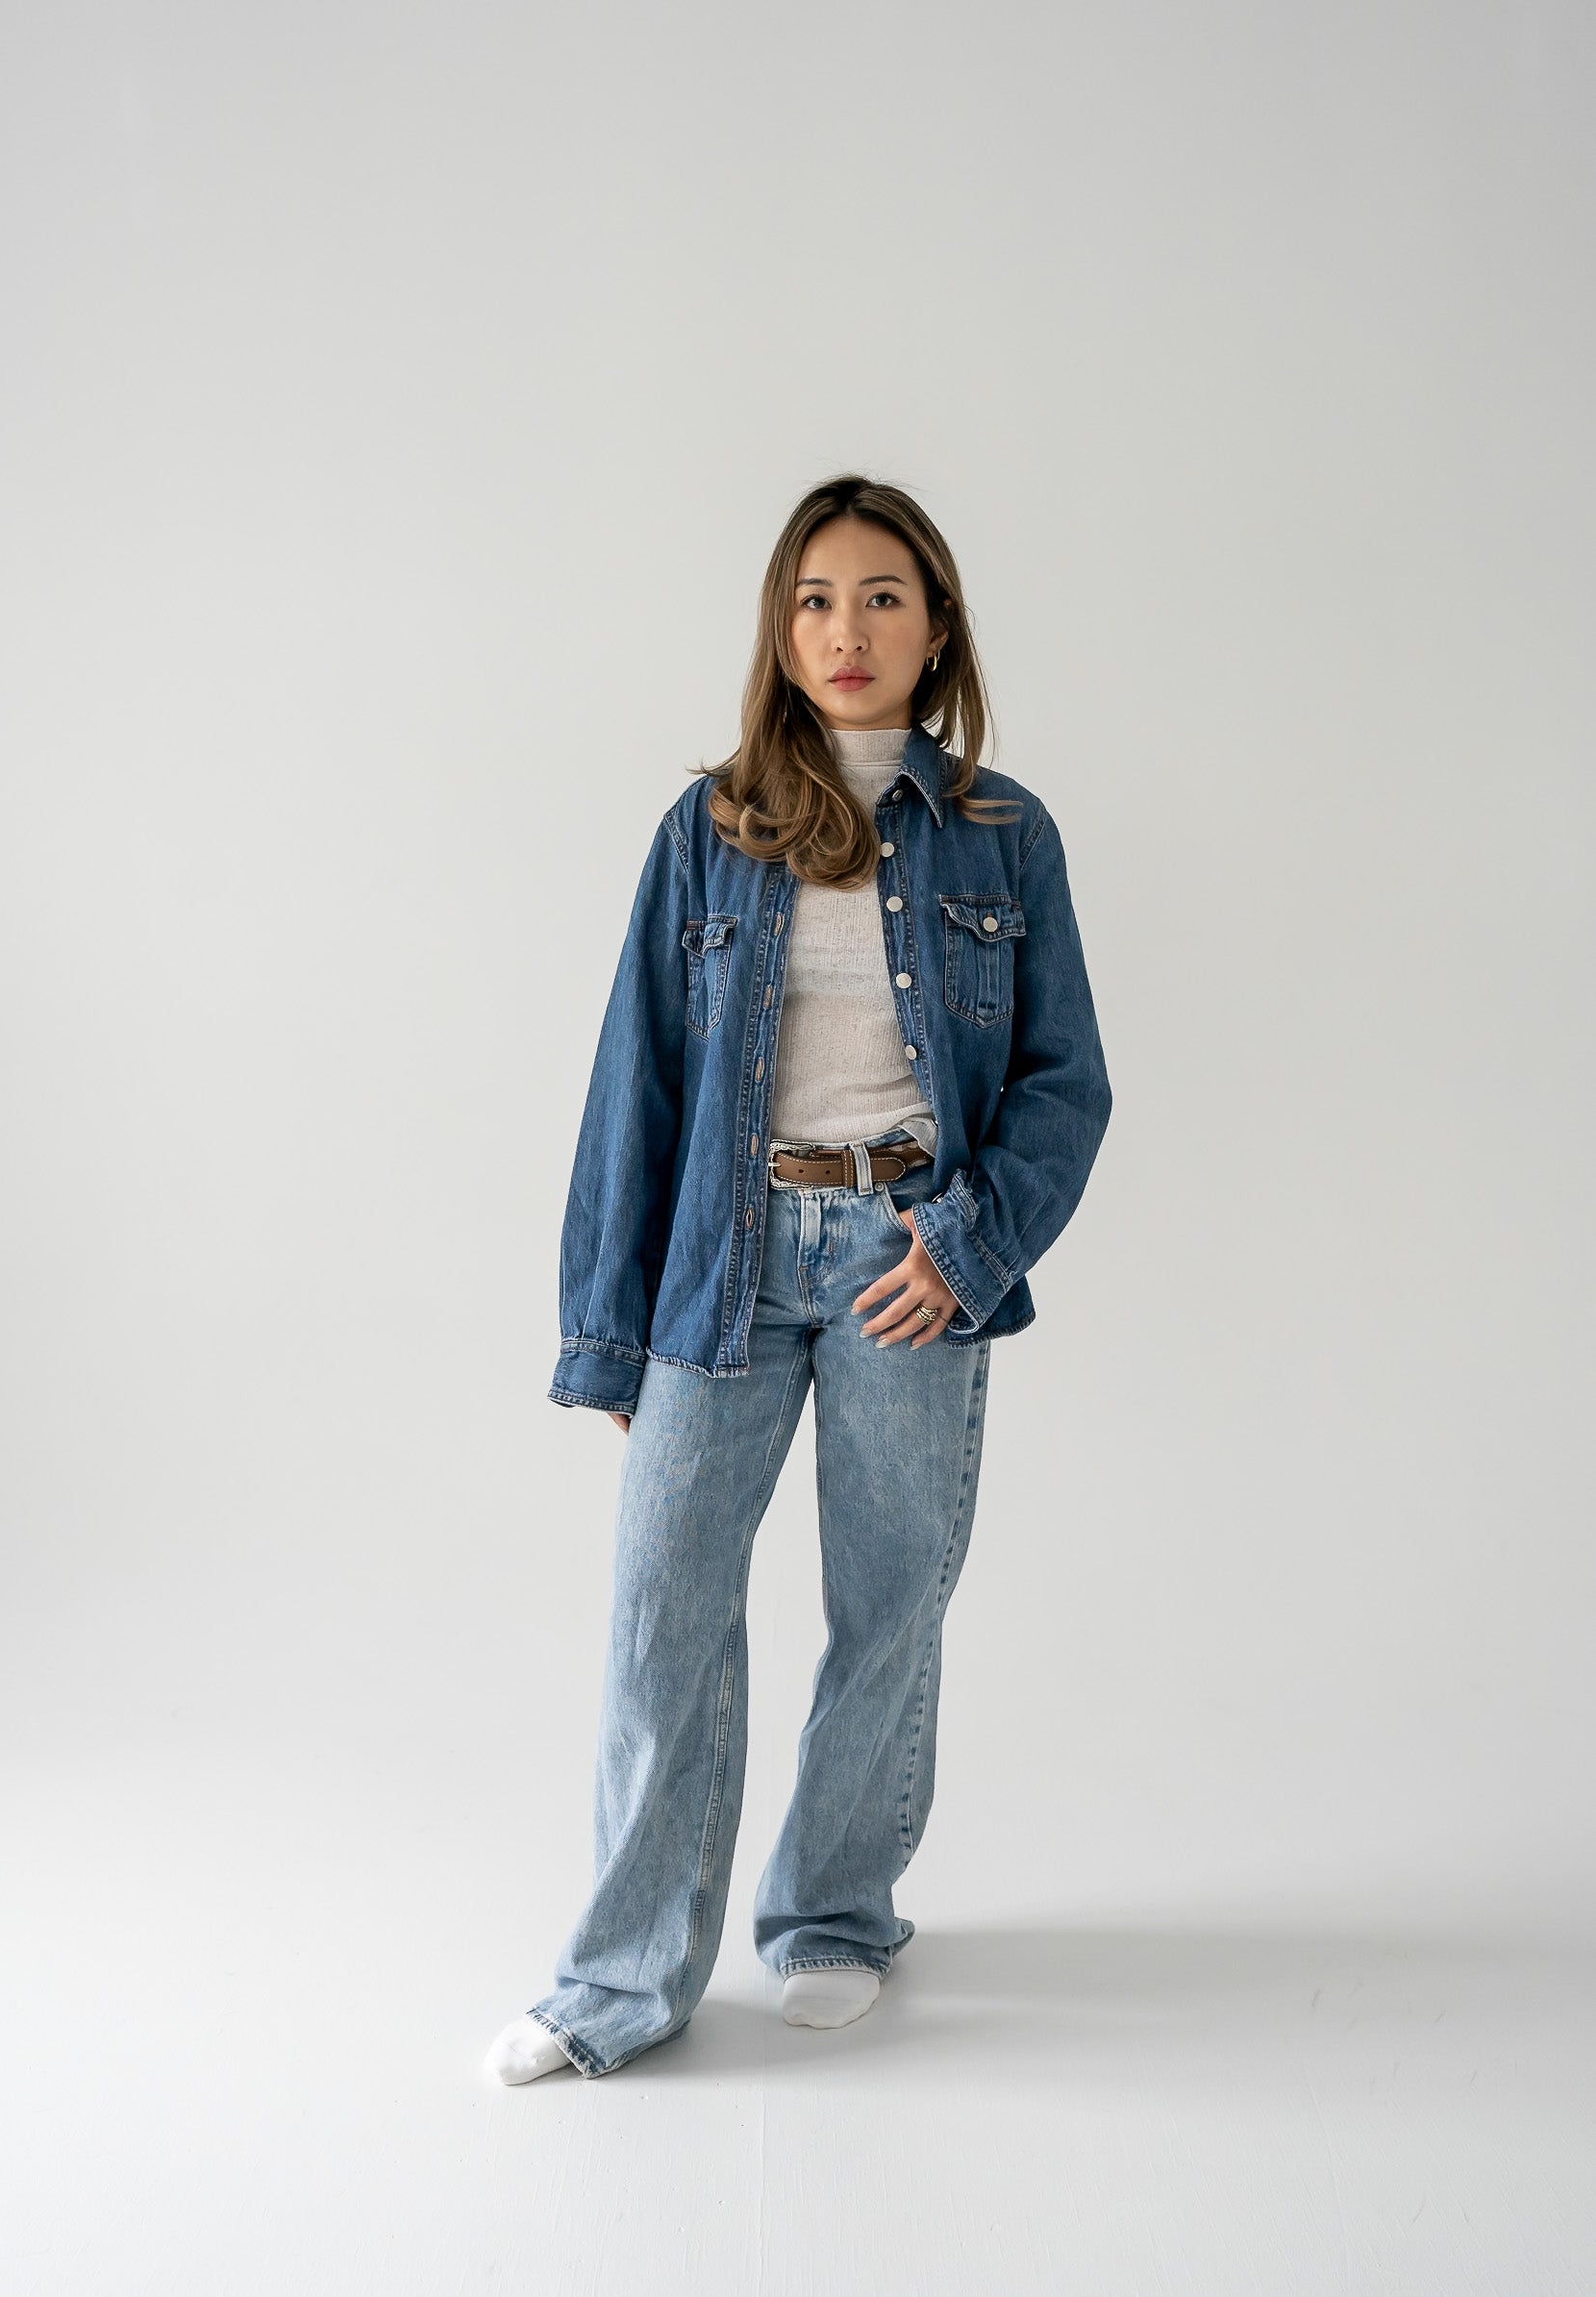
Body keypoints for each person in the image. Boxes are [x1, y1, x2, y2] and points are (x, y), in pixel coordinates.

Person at [486, 474, 1112, 2085]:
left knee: (888, 1602)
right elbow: (635, 1082)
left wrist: (966, 1246)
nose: (848, 628)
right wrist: (611, 1333)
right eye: (817, 598)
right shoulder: (709, 829)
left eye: (883, 595)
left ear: (937, 624)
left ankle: (833, 1915)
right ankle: (622, 1978)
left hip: (910, 1254)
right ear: (781, 629)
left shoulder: (1003, 832)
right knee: (662, 1611)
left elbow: (1067, 1084)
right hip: (728, 1259)